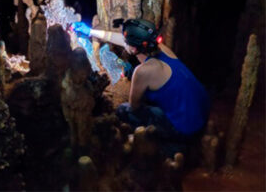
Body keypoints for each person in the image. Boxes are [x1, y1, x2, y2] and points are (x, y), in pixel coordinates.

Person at [71, 18, 209, 148]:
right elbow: (124, 41)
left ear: (134, 49)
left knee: (123, 110)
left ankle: (170, 146)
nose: (123, 41)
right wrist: (90, 31)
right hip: (201, 112)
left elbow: (134, 106)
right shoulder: (161, 48)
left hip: (187, 129)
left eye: (126, 41)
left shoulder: (142, 71)